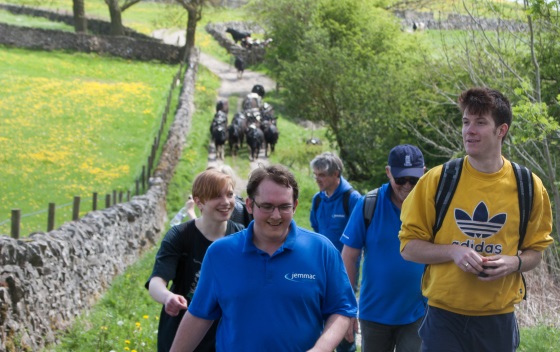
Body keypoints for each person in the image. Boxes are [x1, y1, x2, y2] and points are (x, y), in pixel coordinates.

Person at [399, 87, 554, 351]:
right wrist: (453, 251)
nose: (469, 130)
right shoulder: (438, 180)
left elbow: (536, 253)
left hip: (498, 320)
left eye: (480, 123)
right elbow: (408, 248)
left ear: (501, 130)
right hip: (443, 319)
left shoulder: (528, 185)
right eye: (466, 122)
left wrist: (514, 262)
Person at [170, 164, 358, 352]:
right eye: (267, 206)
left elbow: (340, 310)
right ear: (250, 205)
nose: (276, 216)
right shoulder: (220, 253)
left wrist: (321, 349)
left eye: (284, 207)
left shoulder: (321, 250)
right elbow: (199, 315)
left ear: (295, 205)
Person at [145, 169, 245, 352]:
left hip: (225, 333)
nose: (226, 202)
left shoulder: (242, 237)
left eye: (230, 194)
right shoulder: (180, 236)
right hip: (182, 331)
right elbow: (156, 281)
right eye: (217, 196)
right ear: (199, 201)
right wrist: (168, 298)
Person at [340, 144, 426, 352]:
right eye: (400, 179)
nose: (407, 185)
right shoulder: (369, 204)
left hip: (417, 313)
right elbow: (349, 256)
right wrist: (347, 308)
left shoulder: (430, 206)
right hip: (374, 314)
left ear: (424, 174)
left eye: (413, 180)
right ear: (388, 173)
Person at [309, 152, 361, 352]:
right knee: (321, 322)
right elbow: (316, 228)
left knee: (345, 324)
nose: (317, 179)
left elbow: (359, 240)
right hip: (320, 271)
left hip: (345, 273)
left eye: (321, 175)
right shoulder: (318, 200)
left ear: (336, 174)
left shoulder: (352, 199)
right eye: (315, 175)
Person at [185, 165, 252, 227]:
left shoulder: (236, 209)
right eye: (216, 195)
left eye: (230, 194)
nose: (226, 202)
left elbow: (210, 231)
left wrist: (191, 213)